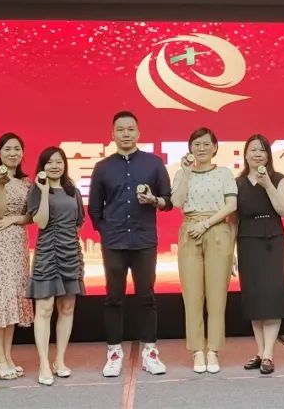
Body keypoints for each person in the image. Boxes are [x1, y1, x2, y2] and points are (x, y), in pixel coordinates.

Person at [88, 111, 173, 377]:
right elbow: (94, 208)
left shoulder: (153, 163)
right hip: (114, 242)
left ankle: (150, 352)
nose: (126, 134)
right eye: (120, 129)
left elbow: (168, 200)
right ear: (112, 134)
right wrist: (106, 231)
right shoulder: (102, 167)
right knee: (114, 297)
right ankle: (114, 353)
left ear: (139, 133)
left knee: (146, 296)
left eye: (130, 129)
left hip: (144, 240)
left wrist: (154, 201)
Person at [171, 127, 238, 374]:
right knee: (192, 296)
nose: (201, 148)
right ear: (190, 148)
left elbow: (231, 204)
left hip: (217, 229)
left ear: (215, 147)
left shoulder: (224, 173)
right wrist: (186, 173)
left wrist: (207, 224)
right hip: (189, 230)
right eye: (196, 144)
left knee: (217, 296)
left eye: (206, 144)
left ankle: (213, 351)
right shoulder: (181, 173)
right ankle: (198, 350)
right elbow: (176, 202)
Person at [27, 146, 86, 385]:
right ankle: (44, 363)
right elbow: (40, 223)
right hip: (47, 253)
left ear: (65, 164)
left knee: (67, 308)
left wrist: (70, 242)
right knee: (44, 309)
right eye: (49, 162)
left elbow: (79, 222)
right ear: (42, 166)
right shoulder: (36, 190)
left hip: (70, 253)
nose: (54, 166)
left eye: (59, 162)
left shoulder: (74, 191)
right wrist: (43, 192)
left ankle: (60, 360)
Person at [235, 134, 284, 375]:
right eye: (253, 150)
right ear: (245, 154)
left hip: (273, 241)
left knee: (272, 298)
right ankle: (260, 352)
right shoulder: (237, 183)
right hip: (247, 242)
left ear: (268, 155)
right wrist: (231, 252)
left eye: (262, 150)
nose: (257, 154)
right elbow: (233, 219)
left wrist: (267, 184)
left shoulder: (278, 179)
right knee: (255, 299)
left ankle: (269, 353)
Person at [0, 133, 34, 380]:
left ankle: (7, 356)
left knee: (13, 298)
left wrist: (14, 219)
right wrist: (2, 185)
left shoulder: (26, 182)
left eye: (17, 149)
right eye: (7, 149)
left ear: (22, 153)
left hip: (18, 244)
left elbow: (31, 216)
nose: (12, 153)